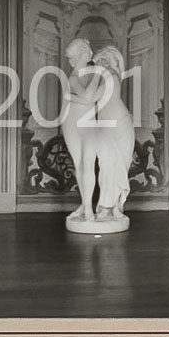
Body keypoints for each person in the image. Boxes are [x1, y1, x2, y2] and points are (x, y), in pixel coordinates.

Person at [88, 45, 135, 221]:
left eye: (98, 63)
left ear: (105, 62)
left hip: (115, 124)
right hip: (112, 123)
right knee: (110, 164)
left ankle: (109, 207)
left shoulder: (109, 76)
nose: (95, 67)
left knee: (111, 165)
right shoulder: (111, 75)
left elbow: (90, 97)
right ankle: (111, 206)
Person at [61, 38, 103, 222]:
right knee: (80, 164)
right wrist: (98, 74)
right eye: (87, 50)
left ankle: (86, 206)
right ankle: (86, 206)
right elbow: (88, 97)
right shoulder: (73, 77)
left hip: (89, 122)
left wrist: (73, 98)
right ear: (79, 54)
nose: (91, 53)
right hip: (72, 123)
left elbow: (93, 98)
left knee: (89, 163)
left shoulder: (91, 74)